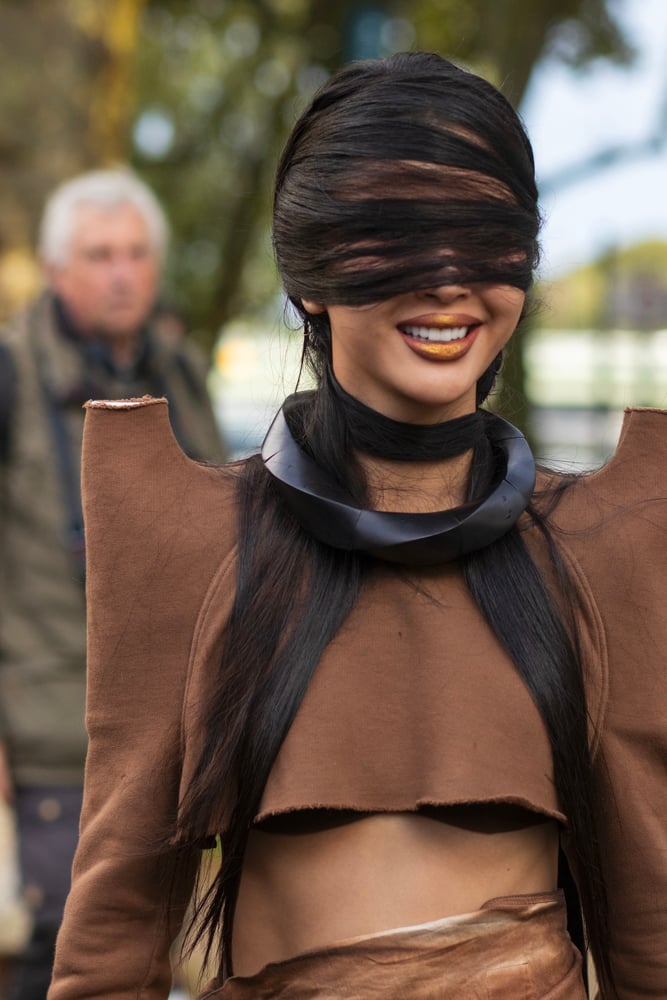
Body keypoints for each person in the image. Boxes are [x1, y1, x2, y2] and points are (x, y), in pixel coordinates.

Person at [48, 54, 665, 1000]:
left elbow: (648, 939)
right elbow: (114, 934)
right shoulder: (192, 545)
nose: (448, 281)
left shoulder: (598, 550)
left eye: (481, 232)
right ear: (308, 278)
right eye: (398, 234)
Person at [0, 167, 226, 1000]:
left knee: (165, 950)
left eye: (136, 252)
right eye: (99, 255)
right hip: (52, 730)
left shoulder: (181, 368)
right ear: (58, 268)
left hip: (181, 723)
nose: (122, 272)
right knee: (67, 948)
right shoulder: (10, 376)